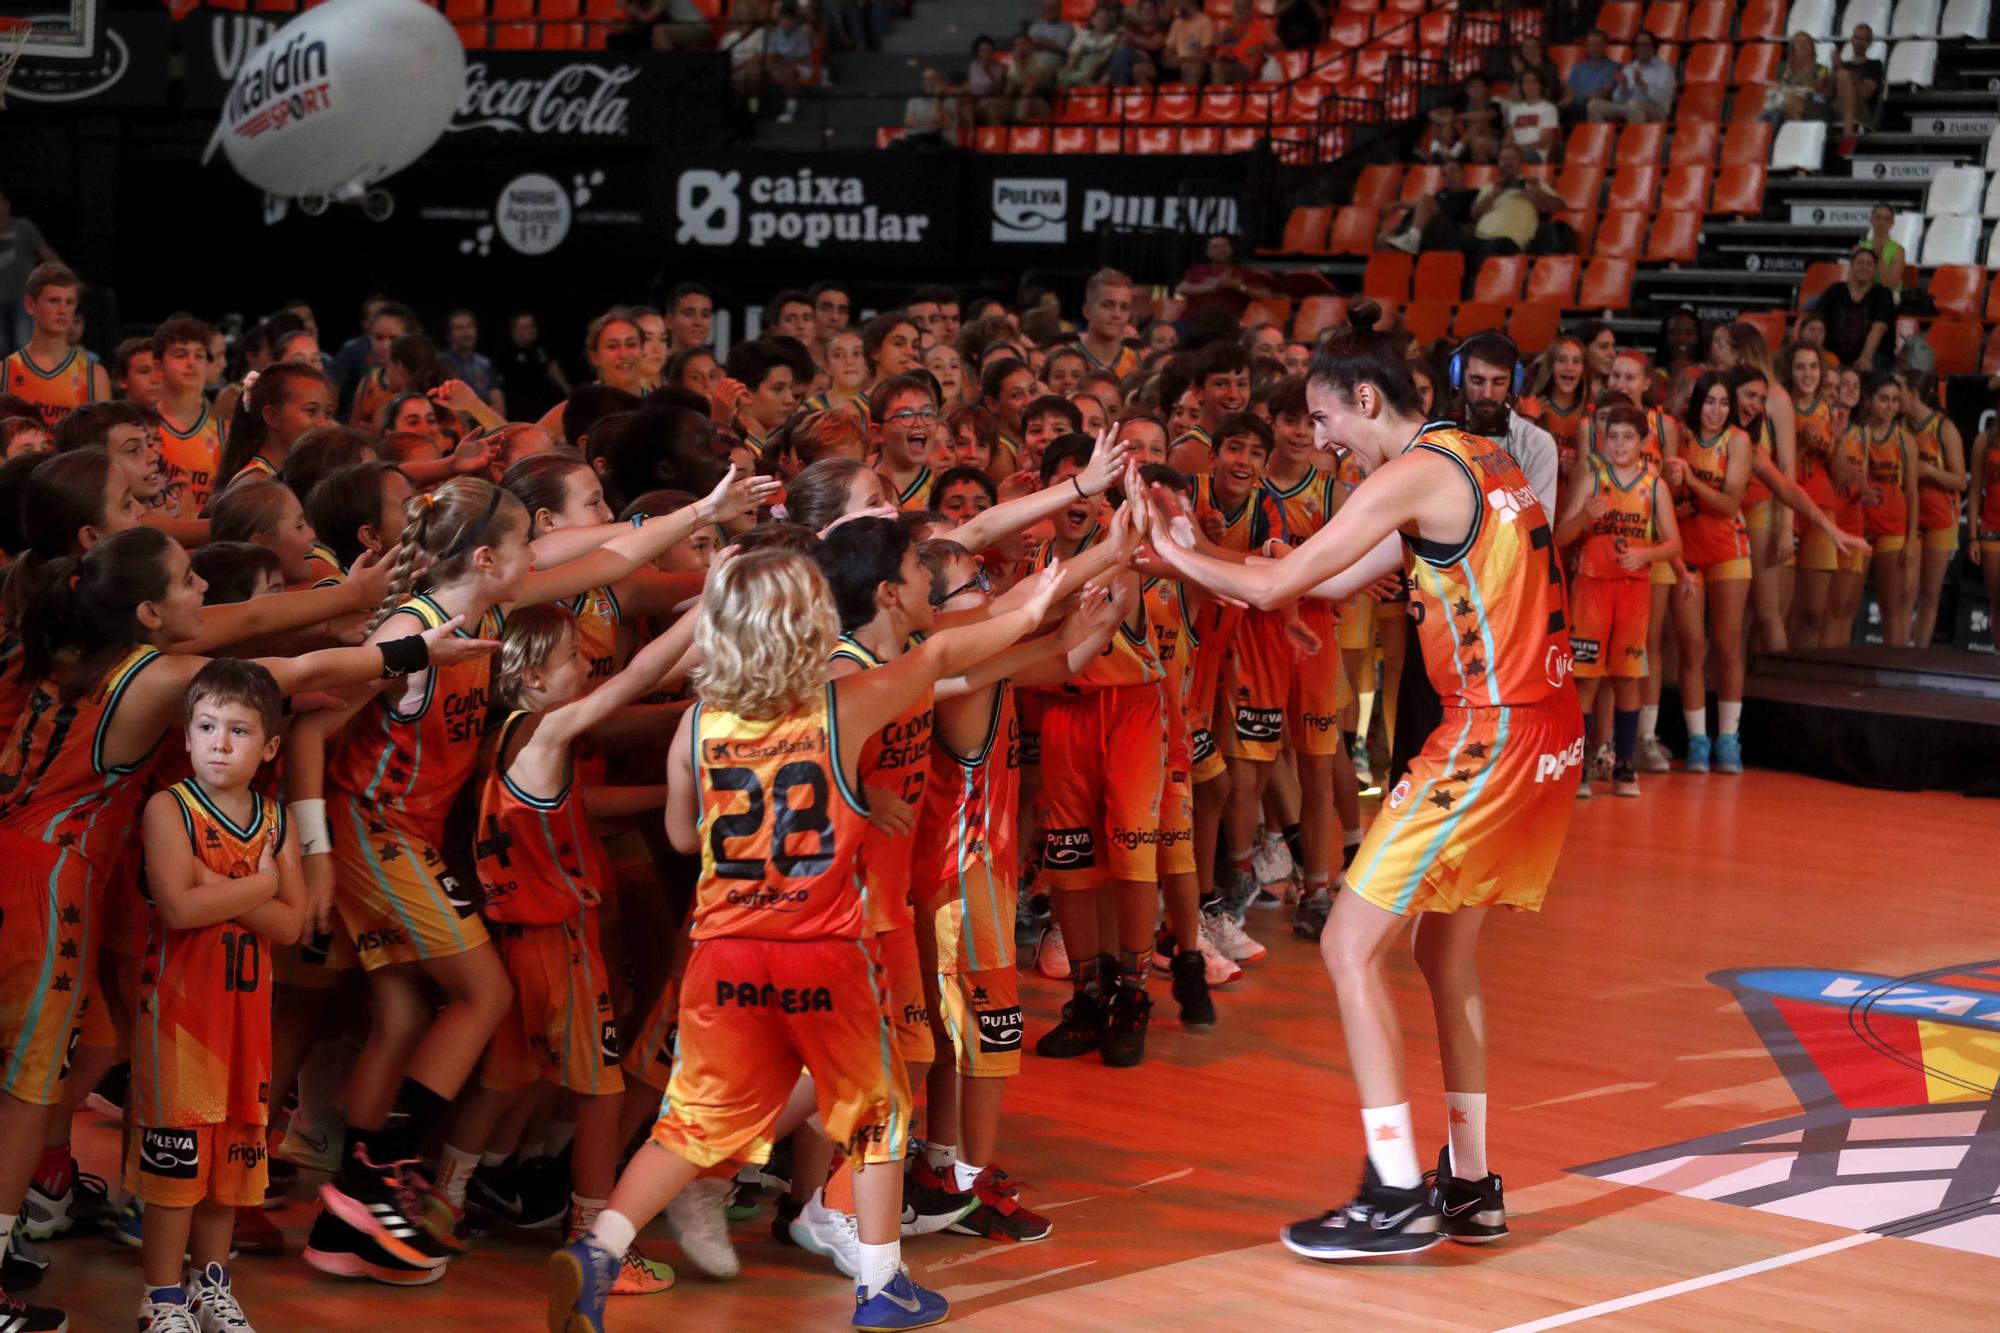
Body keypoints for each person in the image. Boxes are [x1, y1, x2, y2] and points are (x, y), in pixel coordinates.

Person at [1137, 298, 1580, 1258]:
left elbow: (1272, 586)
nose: (1322, 439)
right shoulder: (1475, 454)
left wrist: (1169, 545)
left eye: (1325, 420)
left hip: (1489, 735)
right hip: (1545, 728)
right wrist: (1207, 556)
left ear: (1366, 399)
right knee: (1440, 955)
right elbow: (1321, 580)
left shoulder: (1412, 473)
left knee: (1345, 947)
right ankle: (1470, 1183)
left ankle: (1393, 1188)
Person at [546, 547, 1065, 1333]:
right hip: (822, 942)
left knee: (692, 1121)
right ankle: (882, 1285)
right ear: (809, 622)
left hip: (722, 950)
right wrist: (1036, 606)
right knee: (881, 1108)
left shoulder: (698, 721)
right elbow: (944, 653)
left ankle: (602, 1247)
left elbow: (683, 836)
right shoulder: (844, 702)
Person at [132, 661, 305, 1333]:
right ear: (186, 734)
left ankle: (210, 1286)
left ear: (269, 747)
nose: (220, 743)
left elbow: (291, 925)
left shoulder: (276, 818)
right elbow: (179, 907)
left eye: (238, 730)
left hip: (247, 1026)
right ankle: (161, 1298)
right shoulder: (168, 807)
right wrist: (259, 886)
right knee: (176, 1169)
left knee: (231, 1166)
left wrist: (219, 887)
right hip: (181, 1019)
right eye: (207, 726)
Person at [1554, 403, 1681, 798]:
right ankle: (1584, 765)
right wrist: (1584, 518)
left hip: (1634, 590)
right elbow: (1561, 538)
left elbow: (1674, 542)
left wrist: (1646, 555)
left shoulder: (1654, 485)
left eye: (1629, 437)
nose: (1620, 443)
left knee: (1627, 677)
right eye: (1613, 437)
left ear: (1644, 442)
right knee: (1585, 680)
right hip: (1592, 588)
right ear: (1603, 440)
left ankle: (1625, 764)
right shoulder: (1591, 476)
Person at [1665, 372, 1753, 774]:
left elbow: (1730, 501)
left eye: (1722, 403)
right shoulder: (1678, 436)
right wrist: (1676, 495)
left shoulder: (1737, 440)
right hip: (1687, 554)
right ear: (1697, 403)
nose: (1716, 411)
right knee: (1691, 647)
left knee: (1728, 646)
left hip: (1728, 551)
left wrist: (1692, 482)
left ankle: (1729, 739)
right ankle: (1698, 740)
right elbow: (1665, 493)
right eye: (1709, 402)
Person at [0, 263, 109, 429]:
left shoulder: (94, 376)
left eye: (70, 302)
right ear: (30, 305)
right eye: (54, 301)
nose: (63, 310)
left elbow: (102, 444)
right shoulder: (5, 372)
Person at [1902, 371, 1966, 648]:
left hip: (1940, 518)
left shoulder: (1943, 428)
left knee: (1928, 594)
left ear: (1914, 395)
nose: (1896, 396)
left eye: (1900, 390)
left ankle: (1920, 651)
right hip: (1907, 517)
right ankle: (1899, 648)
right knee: (1905, 591)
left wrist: (1927, 471)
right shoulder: (1902, 425)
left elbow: (1960, 481)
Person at [1856, 372, 1918, 647]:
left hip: (1894, 525)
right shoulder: (1858, 434)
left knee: (1892, 607)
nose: (1890, 406)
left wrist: (1911, 538)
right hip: (1858, 527)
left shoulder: (1905, 441)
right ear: (1869, 401)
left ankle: (1897, 671)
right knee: (1843, 605)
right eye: (1884, 399)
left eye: (1894, 400)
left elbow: (1912, 492)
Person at [1469, 143, 1563, 255]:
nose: (1508, 163)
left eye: (1513, 159)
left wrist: (1539, 194)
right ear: (1498, 162)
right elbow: (1474, 214)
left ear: (1520, 163)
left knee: (1494, 249)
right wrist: (1494, 194)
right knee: (1455, 250)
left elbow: (1559, 206)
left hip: (1509, 239)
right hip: (1480, 237)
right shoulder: (1491, 187)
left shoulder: (1532, 183)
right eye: (1504, 159)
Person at [0, 191, 62, 361]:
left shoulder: (22, 227)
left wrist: (64, 274)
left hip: (23, 298)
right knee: (2, 347)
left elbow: (44, 252)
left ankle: (28, 384)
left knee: (24, 342)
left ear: (6, 204)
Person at [1814, 247, 1895, 372]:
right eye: (1860, 263)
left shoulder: (1883, 294)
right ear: (1851, 266)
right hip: (1834, 353)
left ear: (1875, 270)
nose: (1864, 267)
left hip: (1873, 354)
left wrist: (1866, 356)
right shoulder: (1835, 290)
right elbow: (1817, 319)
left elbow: (1879, 328)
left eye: (1869, 264)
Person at [1178, 235, 1277, 327]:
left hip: (1227, 326)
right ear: (1207, 252)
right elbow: (1182, 288)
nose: (1220, 250)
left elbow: (1266, 295)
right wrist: (1214, 286)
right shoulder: (1197, 270)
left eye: (1224, 246)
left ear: (1231, 250)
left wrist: (1238, 287)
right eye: (1214, 247)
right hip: (1192, 322)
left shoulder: (1242, 272)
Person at [1587, 29, 1674, 124]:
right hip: (1628, 107)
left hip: (1657, 111)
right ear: (1635, 48)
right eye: (1639, 45)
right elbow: (1617, 100)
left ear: (1654, 47)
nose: (1643, 48)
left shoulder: (1664, 69)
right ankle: (1602, 137)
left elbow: (1664, 98)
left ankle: (1638, 138)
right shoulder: (1628, 69)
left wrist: (1643, 86)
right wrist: (1623, 88)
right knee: (1593, 105)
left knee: (1634, 105)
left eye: (1647, 45)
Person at [499, 312, 570, 424]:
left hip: (545, 404)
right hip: (520, 410)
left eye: (532, 326)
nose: (531, 330)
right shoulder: (505, 353)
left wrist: (567, 389)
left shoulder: (541, 347)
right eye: (525, 327)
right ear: (514, 331)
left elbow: (552, 368)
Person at [1072, 268, 1140, 383]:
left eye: (1124, 307)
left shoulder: (1135, 361)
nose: (1117, 314)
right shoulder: (1069, 358)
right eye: (1107, 305)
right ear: (1087, 311)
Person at [440, 310, 503, 413]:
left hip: (488, 426)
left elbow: (499, 404)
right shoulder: (441, 363)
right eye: (459, 328)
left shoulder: (485, 363)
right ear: (449, 335)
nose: (467, 332)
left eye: (470, 326)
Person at [1762, 31, 1830, 126]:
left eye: (1806, 43)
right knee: (1766, 117)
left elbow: (1816, 89)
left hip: (1811, 104)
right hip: (1786, 103)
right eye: (1798, 43)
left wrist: (1804, 70)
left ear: (1812, 46)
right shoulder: (1789, 69)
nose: (1802, 46)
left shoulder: (1821, 69)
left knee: (1782, 113)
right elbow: (1782, 87)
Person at [1834, 24, 1884, 155]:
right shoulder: (1843, 65)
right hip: (1837, 106)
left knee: (1844, 75)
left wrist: (1849, 76)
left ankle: (1848, 137)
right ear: (1851, 40)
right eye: (1857, 38)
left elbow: (1865, 94)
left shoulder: (1875, 65)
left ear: (1870, 43)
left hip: (1861, 110)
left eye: (1864, 39)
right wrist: (1833, 70)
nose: (1859, 42)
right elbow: (1823, 93)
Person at [1501, 69, 1560, 163]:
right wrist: (1509, 145)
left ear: (1541, 85)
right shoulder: (1514, 110)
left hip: (1536, 153)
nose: (1530, 86)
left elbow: (1544, 142)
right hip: (1515, 152)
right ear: (1522, 86)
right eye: (1526, 82)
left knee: (1512, 157)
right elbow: (1509, 136)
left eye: (1534, 82)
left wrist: (1519, 147)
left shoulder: (1549, 109)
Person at [1561, 29, 1620, 121]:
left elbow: (1604, 93)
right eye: (1591, 44)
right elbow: (1569, 95)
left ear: (1605, 46)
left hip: (1595, 107)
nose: (1595, 48)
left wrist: (1582, 100)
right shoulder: (1577, 68)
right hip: (1575, 108)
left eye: (1599, 44)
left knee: (1585, 106)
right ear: (1586, 46)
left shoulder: (1614, 67)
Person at [1856, 203, 1906, 296]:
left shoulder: (1898, 251)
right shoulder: (1860, 249)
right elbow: (1854, 281)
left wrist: (1879, 259)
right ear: (1871, 220)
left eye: (1886, 219)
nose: (1881, 222)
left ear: (1892, 223)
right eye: (1878, 217)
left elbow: (1891, 286)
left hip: (1889, 297)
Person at [1164, 0, 1217, 86]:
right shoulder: (1177, 22)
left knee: (1191, 68)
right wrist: (1169, 57)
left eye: (1179, 3)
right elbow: (1168, 48)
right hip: (1178, 62)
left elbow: (1206, 54)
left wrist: (1183, 60)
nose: (1176, 6)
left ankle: (1190, 98)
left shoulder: (1205, 23)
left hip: (1196, 62)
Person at [904, 66, 961, 140]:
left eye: (933, 78)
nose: (929, 82)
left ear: (941, 80)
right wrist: (933, 124)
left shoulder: (950, 100)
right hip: (915, 141)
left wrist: (937, 98)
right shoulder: (915, 100)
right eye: (926, 79)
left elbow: (941, 121)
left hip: (940, 142)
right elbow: (909, 121)